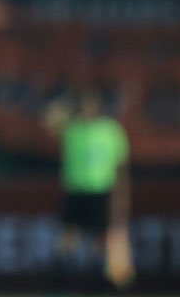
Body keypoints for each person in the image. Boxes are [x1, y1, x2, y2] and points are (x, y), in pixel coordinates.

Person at [43, 87, 133, 289]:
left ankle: (97, 274)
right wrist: (66, 102)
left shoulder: (111, 130)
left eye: (90, 105)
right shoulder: (73, 128)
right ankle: (60, 273)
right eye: (83, 106)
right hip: (75, 189)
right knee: (69, 232)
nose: (87, 109)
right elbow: (48, 120)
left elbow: (121, 164)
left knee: (100, 234)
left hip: (101, 189)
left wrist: (122, 196)